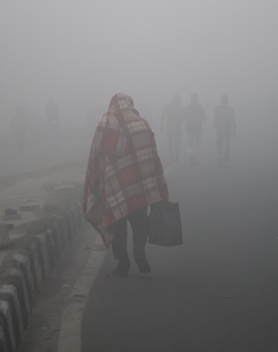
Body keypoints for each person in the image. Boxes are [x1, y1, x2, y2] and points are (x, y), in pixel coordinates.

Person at [83, 93, 169, 277]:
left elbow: (96, 154)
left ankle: (123, 263)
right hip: (139, 186)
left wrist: (97, 178)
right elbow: (152, 157)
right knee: (140, 223)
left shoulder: (106, 123)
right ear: (130, 104)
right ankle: (140, 253)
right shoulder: (142, 124)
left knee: (118, 224)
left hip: (116, 186)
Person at [183, 93, 206, 166]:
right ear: (197, 99)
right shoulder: (200, 108)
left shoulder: (187, 107)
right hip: (198, 128)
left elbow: (183, 118)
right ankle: (195, 159)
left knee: (189, 144)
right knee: (197, 144)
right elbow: (204, 118)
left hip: (190, 128)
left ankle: (190, 154)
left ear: (190, 98)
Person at [160, 94, 183, 163]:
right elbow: (184, 117)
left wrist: (161, 126)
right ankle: (176, 157)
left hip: (170, 126)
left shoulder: (167, 107)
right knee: (176, 142)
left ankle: (172, 157)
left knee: (170, 142)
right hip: (177, 126)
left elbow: (163, 117)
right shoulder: (180, 107)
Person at [214, 94, 236, 165]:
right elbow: (233, 120)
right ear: (227, 100)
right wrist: (234, 129)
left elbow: (215, 118)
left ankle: (220, 154)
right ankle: (226, 160)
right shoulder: (230, 109)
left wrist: (216, 124)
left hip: (220, 128)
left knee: (219, 142)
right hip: (227, 128)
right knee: (227, 143)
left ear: (221, 100)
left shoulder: (217, 108)